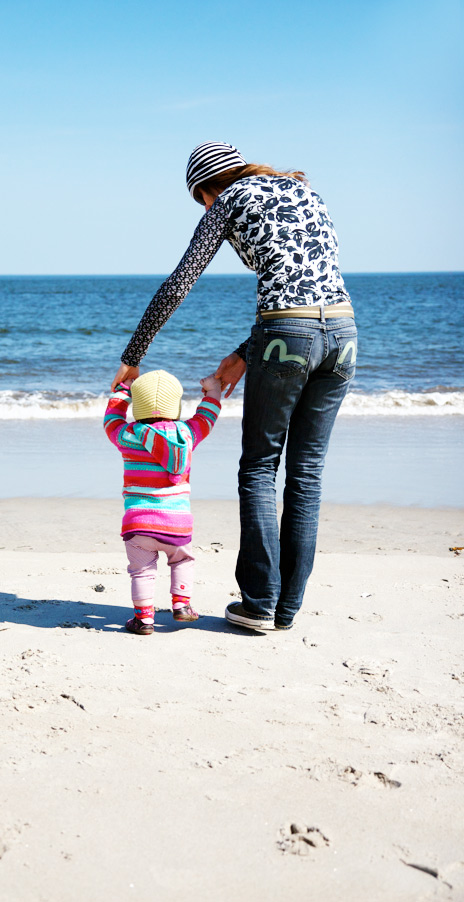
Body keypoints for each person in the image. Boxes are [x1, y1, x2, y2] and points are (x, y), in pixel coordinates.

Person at [111, 141, 357, 632]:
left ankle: (259, 604)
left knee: (260, 467)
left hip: (286, 335)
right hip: (345, 336)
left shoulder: (226, 202)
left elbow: (180, 283)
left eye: (198, 199)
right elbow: (309, 285)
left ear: (206, 189)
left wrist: (131, 359)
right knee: (306, 475)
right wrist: (245, 352)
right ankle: (286, 610)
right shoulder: (306, 192)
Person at [104, 368, 222, 635]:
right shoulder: (187, 435)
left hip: (139, 523)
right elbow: (207, 417)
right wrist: (213, 391)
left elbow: (111, 419)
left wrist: (123, 390)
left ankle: (144, 620)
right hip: (176, 524)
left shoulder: (127, 436)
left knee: (142, 571)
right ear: (177, 406)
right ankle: (181, 604)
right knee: (182, 561)